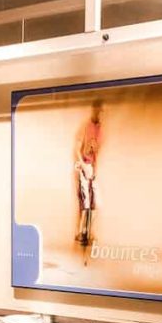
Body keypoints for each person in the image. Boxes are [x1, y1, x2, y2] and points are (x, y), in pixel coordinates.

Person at [74, 99, 104, 245]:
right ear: (93, 109)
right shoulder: (85, 127)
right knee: (85, 202)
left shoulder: (100, 129)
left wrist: (94, 169)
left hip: (92, 167)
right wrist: (84, 167)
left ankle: (88, 232)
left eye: (100, 110)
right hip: (83, 166)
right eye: (97, 109)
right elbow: (77, 149)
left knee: (95, 203)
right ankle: (82, 232)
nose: (98, 113)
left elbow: (96, 152)